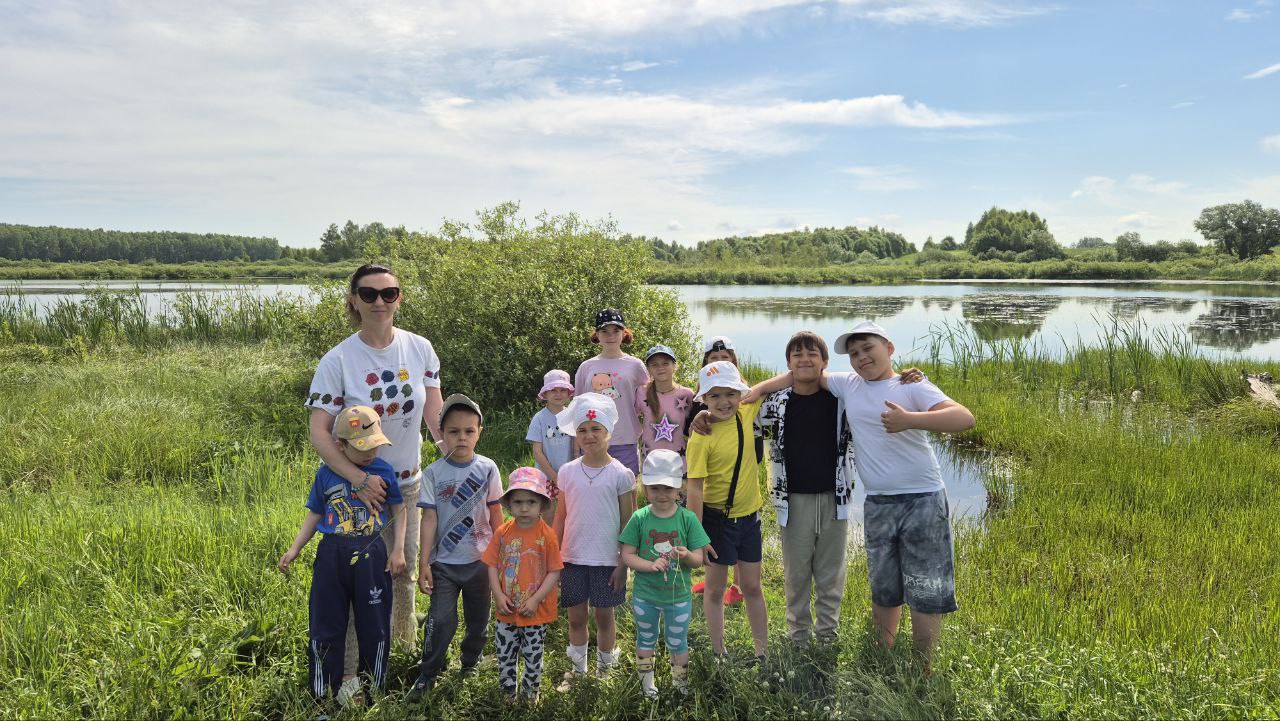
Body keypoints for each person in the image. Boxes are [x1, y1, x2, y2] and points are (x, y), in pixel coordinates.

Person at [750, 321, 975, 672]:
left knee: (925, 586)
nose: (860, 357)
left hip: (923, 498)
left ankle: (922, 667)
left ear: (889, 347)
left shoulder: (911, 385)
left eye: (867, 348)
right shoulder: (847, 385)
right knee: (884, 584)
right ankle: (881, 656)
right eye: (854, 353)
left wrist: (910, 420)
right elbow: (800, 374)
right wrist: (754, 390)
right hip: (877, 502)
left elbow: (964, 418)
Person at [305, 262, 443, 700]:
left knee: (400, 572)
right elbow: (319, 433)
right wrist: (357, 480)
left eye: (389, 293)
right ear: (353, 302)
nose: (380, 301)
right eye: (368, 294)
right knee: (354, 583)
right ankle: (349, 676)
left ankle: (395, 652)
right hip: (356, 493)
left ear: (400, 298)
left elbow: (433, 414)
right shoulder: (339, 359)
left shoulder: (420, 348)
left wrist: (453, 450)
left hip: (409, 484)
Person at [277, 405, 406, 704]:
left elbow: (399, 510)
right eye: (362, 447)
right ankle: (324, 692)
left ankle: (373, 689)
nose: (370, 453)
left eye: (375, 444)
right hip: (331, 555)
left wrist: (398, 548)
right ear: (340, 445)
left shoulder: (383, 472)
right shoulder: (327, 474)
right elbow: (315, 513)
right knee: (326, 624)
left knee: (374, 624)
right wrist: (295, 548)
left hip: (371, 553)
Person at [407, 394, 504, 701]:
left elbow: (497, 515)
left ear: (479, 432)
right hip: (444, 565)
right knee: (440, 620)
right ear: (442, 434)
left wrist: (502, 556)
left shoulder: (488, 468)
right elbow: (429, 518)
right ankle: (428, 673)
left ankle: (470, 662)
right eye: (453, 431)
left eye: (469, 431)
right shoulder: (434, 473)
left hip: (480, 562)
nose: (461, 437)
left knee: (478, 620)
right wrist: (424, 563)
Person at [685, 361, 769, 663]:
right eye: (715, 396)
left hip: (750, 519)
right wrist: (697, 536)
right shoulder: (701, 437)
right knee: (715, 589)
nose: (724, 402)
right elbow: (694, 488)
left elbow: (775, 382)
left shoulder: (746, 412)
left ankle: (762, 652)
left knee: (752, 586)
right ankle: (719, 652)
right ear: (704, 400)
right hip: (717, 522)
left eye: (730, 393)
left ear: (740, 393)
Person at [551, 392, 637, 687]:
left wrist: (623, 563)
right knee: (576, 618)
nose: (589, 436)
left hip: (607, 560)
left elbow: (629, 522)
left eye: (595, 429)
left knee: (604, 617)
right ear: (575, 435)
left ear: (608, 432)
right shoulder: (567, 472)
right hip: (572, 557)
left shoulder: (622, 475)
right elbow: (560, 517)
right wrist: (554, 559)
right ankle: (577, 671)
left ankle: (604, 671)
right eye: (582, 431)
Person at [619, 450, 711, 698]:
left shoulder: (688, 519)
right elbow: (627, 555)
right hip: (645, 596)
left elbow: (699, 560)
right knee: (645, 639)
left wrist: (686, 555)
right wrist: (650, 566)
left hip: (678, 597)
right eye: (655, 488)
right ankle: (646, 686)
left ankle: (681, 686)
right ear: (645, 489)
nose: (661, 494)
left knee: (678, 642)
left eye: (668, 488)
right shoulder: (639, 518)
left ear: (679, 489)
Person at [482, 467, 563, 703]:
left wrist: (536, 599)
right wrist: (497, 595)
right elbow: (491, 565)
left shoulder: (547, 535)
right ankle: (508, 691)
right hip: (506, 610)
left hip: (535, 611)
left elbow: (554, 571)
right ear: (509, 504)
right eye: (518, 502)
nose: (524, 508)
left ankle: (530, 693)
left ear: (541, 504)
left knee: (533, 654)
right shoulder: (502, 532)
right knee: (505, 653)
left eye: (531, 501)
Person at [686, 335, 753, 606]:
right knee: (722, 541)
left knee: (742, 532)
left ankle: (737, 583)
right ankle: (718, 579)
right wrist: (702, 415)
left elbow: (759, 392)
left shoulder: (744, 401)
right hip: (716, 478)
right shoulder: (704, 410)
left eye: (725, 359)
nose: (719, 362)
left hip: (744, 459)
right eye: (713, 359)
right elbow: (695, 484)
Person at [573, 308, 649, 475]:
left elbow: (648, 402)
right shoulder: (586, 367)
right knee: (595, 491)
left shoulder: (635, 365)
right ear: (597, 335)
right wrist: (576, 444)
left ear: (624, 333)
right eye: (604, 331)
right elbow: (577, 408)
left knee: (628, 492)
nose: (610, 336)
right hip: (592, 438)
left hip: (625, 438)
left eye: (616, 331)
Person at [526, 369, 574, 518]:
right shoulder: (539, 418)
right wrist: (553, 476)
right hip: (546, 476)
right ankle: (548, 540)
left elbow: (577, 447)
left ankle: (565, 541)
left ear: (568, 393)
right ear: (545, 394)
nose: (558, 394)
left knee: (569, 513)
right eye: (553, 390)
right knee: (549, 514)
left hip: (569, 475)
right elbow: (537, 451)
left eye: (562, 390)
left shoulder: (572, 415)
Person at [634, 344, 695, 463]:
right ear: (648, 369)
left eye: (665, 363)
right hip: (651, 463)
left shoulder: (687, 395)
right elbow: (630, 418)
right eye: (654, 364)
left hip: (680, 463)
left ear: (675, 366)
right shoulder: (642, 392)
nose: (660, 367)